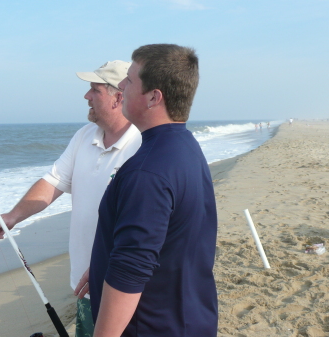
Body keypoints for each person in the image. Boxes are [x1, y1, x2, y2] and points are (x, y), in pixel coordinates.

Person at [0, 60, 142, 337]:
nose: (86, 96)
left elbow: (145, 226)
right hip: (84, 286)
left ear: (118, 97)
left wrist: (108, 268)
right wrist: (12, 216)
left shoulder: (142, 145)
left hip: (121, 285)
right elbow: (53, 181)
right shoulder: (84, 136)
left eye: (95, 90)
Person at [87, 44, 218, 336]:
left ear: (153, 97)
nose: (121, 85)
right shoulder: (185, 147)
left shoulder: (147, 172)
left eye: (130, 80)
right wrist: (101, 266)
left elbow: (130, 271)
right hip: (189, 317)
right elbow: (165, 239)